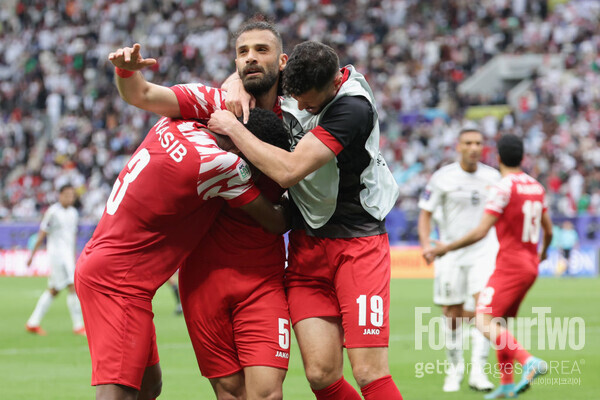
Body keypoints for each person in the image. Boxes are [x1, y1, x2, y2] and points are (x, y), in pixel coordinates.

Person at [108, 21, 293, 400]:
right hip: (203, 278)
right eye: (243, 52)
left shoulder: (300, 116)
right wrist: (126, 72)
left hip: (262, 277)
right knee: (229, 394)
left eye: (261, 50)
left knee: (266, 394)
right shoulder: (213, 101)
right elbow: (143, 94)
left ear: (283, 60)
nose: (251, 58)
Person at [208, 41, 403, 400]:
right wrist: (235, 82)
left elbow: (289, 171)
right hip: (306, 246)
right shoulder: (299, 80)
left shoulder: (353, 107)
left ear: (333, 84)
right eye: (295, 96)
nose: (299, 106)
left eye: (309, 101)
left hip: (357, 245)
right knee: (320, 375)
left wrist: (234, 130)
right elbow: (252, 72)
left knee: (368, 372)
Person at [75, 110, 289, 400]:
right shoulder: (221, 164)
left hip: (107, 264)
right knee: (119, 393)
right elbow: (276, 221)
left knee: (150, 387)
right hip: (119, 283)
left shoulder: (176, 122)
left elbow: (158, 95)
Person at [425, 134, 553, 399]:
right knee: (498, 323)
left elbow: (482, 231)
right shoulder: (536, 186)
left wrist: (445, 248)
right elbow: (548, 231)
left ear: (497, 157)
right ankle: (506, 385)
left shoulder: (502, 186)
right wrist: (542, 254)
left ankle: (528, 360)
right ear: (523, 157)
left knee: (483, 320)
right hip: (530, 265)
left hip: (507, 265)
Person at [417, 128, 500, 392]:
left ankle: (478, 370)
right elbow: (425, 213)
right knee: (452, 314)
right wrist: (425, 245)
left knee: (483, 310)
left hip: (484, 252)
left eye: (478, 143)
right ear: (459, 146)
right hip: (450, 253)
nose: (474, 147)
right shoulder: (443, 177)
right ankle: (454, 369)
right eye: (468, 143)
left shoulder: (493, 177)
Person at [25, 184, 85, 336]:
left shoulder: (73, 213)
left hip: (67, 257)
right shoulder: (53, 212)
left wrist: (74, 257)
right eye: (66, 195)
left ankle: (33, 322)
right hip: (57, 256)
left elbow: (72, 237)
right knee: (72, 286)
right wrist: (32, 255)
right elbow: (42, 234)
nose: (69, 198)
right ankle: (78, 326)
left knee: (54, 290)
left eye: (72, 195)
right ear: (60, 195)